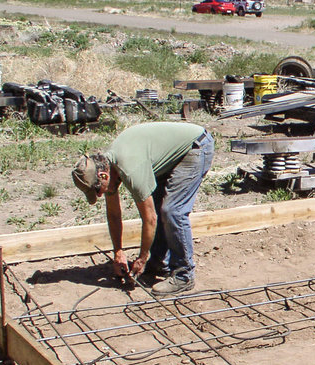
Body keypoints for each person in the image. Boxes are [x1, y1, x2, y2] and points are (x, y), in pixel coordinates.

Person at [72, 122, 214, 295]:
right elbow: (114, 215)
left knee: (172, 211)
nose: (100, 195)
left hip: (195, 147)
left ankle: (184, 275)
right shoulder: (109, 167)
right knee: (158, 205)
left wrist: (142, 257)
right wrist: (118, 253)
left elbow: (150, 218)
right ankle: (160, 264)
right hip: (169, 153)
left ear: (103, 176)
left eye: (97, 190)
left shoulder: (130, 170)